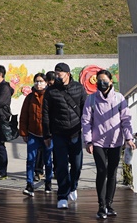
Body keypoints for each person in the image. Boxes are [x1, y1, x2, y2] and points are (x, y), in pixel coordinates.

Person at [82, 69, 136, 219]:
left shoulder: (119, 98)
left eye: (105, 81)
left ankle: (109, 205)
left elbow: (126, 120)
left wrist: (129, 138)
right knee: (102, 170)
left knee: (112, 173)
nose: (102, 83)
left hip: (115, 142)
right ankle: (101, 206)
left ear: (111, 82)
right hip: (97, 142)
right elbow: (86, 121)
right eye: (99, 81)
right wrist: (88, 141)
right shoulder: (91, 99)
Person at [42, 61, 86, 210]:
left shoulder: (79, 89)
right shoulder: (51, 91)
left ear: (67, 74)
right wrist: (46, 135)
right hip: (58, 133)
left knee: (77, 165)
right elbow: (45, 114)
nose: (57, 76)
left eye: (59, 73)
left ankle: (73, 186)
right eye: (55, 73)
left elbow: (86, 111)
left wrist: (87, 133)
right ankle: (62, 196)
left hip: (75, 133)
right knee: (60, 166)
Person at [19, 73, 53, 196]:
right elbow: (23, 116)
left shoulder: (50, 96)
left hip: (47, 135)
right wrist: (23, 132)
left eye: (41, 81)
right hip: (33, 134)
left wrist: (52, 133)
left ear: (46, 83)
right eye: (36, 81)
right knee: (31, 160)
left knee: (48, 160)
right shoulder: (29, 98)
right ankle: (29, 184)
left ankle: (48, 182)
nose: (39, 84)